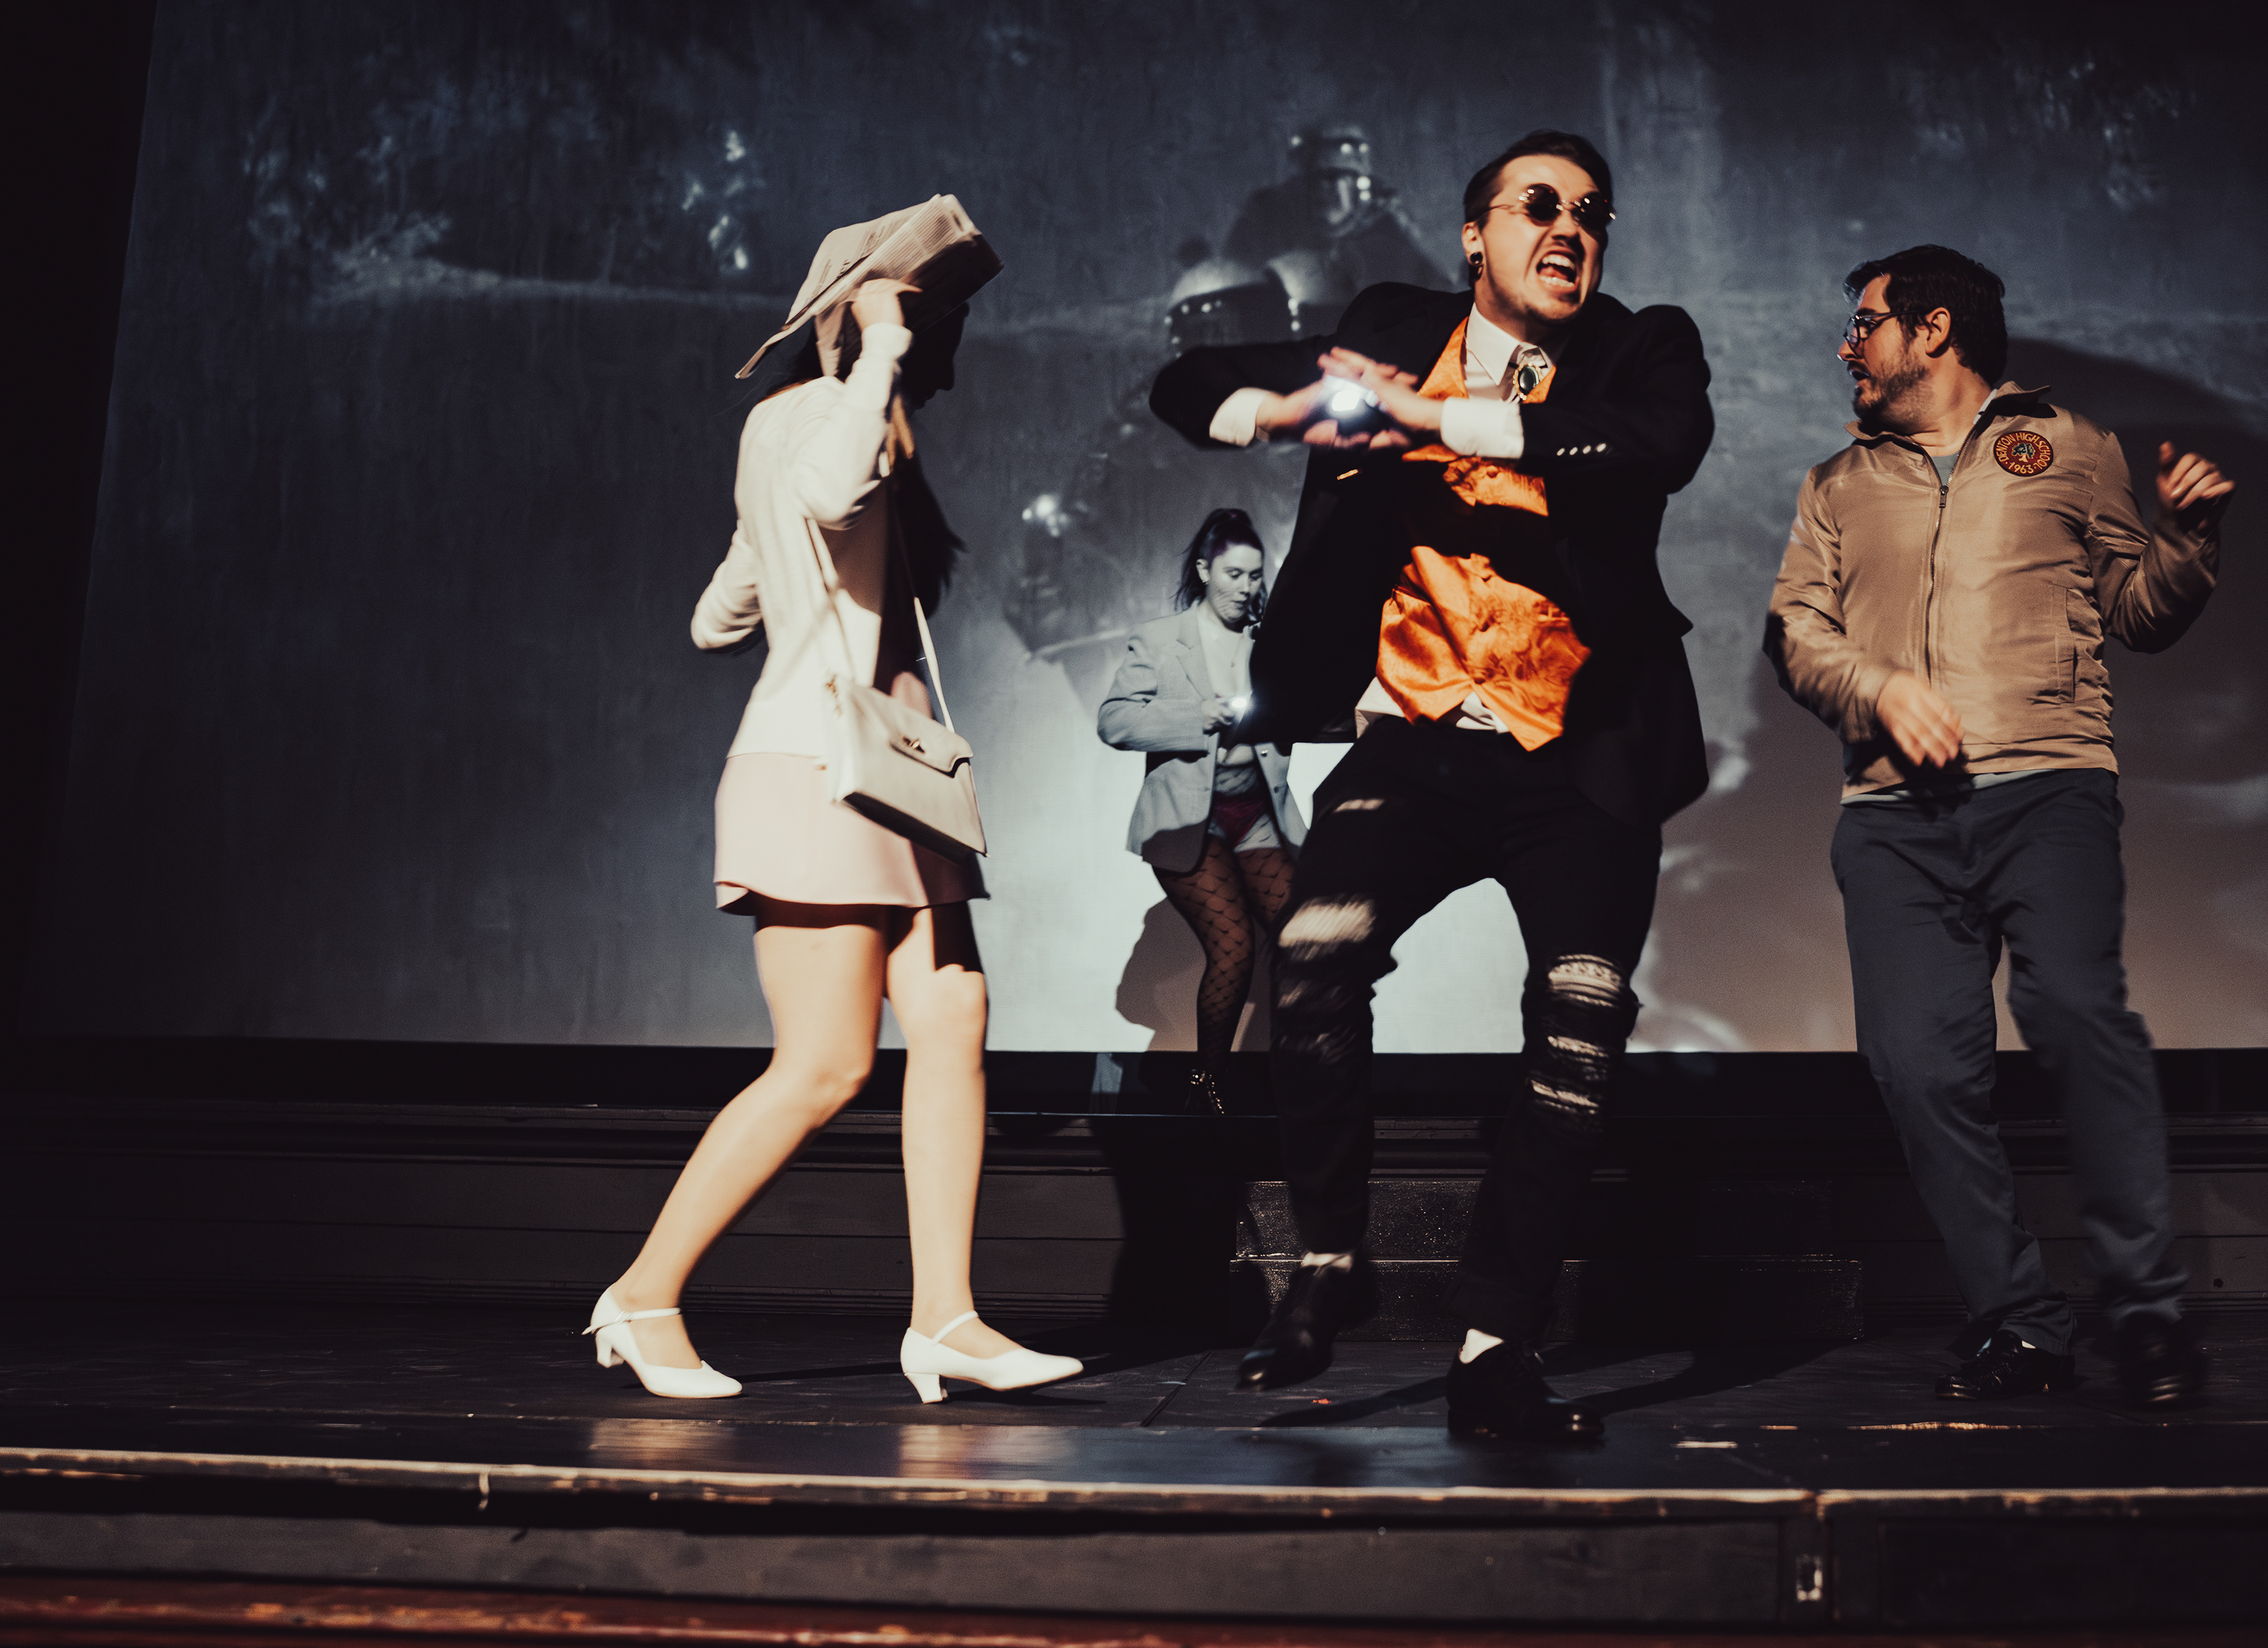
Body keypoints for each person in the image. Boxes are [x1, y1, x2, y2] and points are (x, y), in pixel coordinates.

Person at [1150, 130, 1714, 1442]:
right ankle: (1329, 1256)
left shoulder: (1639, 348)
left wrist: (1435, 422)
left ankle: (1494, 1345)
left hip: (1584, 751)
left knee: (1578, 1025)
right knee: (1313, 954)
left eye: (1591, 213)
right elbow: (1187, 384)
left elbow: (1659, 445)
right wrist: (1278, 413)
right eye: (1539, 205)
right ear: (1475, 236)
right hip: (1419, 738)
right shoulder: (1392, 329)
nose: (1570, 227)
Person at [585, 240, 1080, 1406]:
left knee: (952, 1016)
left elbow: (721, 615)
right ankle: (642, 1296)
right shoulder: (820, 412)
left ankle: (946, 1319)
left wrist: (786, 576)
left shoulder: (835, 426)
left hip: (891, 772)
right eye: (937, 319)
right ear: (876, 325)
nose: (952, 341)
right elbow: (822, 496)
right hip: (821, 768)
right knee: (825, 1063)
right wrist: (882, 350)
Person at [1763, 244, 2233, 1409]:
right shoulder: (1836, 485)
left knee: (2076, 1017)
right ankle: (2020, 1320)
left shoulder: (2070, 445)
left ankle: (2147, 1315)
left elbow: (2138, 610)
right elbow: (1797, 635)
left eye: (1866, 322)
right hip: (1893, 818)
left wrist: (2187, 544)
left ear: (1932, 330)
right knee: (1920, 1070)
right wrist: (1878, 690)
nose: (1848, 345)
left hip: (2048, 786)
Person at [1097, 509, 1309, 1113]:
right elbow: (1114, 721)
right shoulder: (1161, 638)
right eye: (1234, 574)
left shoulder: (1272, 643)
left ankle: (1299, 1078)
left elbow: (1308, 711)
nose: (1246, 587)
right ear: (1204, 570)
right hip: (1188, 818)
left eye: (1255, 576)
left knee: (1301, 941)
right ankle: (1207, 1084)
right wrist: (1198, 717)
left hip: (1257, 812)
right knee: (1234, 948)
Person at [1226, 123, 1448, 296]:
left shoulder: (1389, 230)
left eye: (1335, 177)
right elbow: (1232, 276)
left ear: (1358, 184)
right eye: (1315, 178)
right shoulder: (1268, 218)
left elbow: (1436, 290)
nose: (1323, 188)